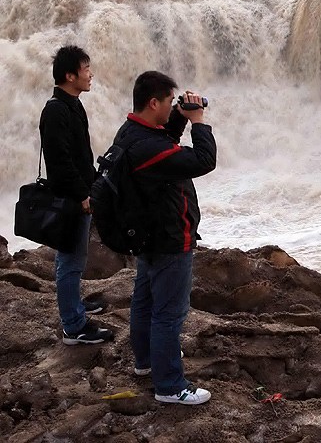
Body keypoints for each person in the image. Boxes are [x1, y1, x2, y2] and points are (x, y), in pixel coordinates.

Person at [114, 71, 215, 405]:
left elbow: (165, 143)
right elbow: (203, 160)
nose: (174, 105)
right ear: (153, 103)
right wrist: (198, 121)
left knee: (144, 302)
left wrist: (178, 118)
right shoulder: (148, 147)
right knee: (169, 314)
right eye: (169, 101)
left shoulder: (131, 133)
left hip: (148, 234)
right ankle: (170, 385)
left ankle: (145, 362)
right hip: (170, 238)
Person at [39, 45, 114, 345]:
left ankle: (75, 307)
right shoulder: (56, 110)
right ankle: (74, 326)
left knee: (72, 258)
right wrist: (82, 194)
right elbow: (60, 161)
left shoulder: (72, 105)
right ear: (69, 76)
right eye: (85, 69)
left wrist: (95, 185)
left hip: (80, 194)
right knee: (70, 261)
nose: (90, 74)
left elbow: (81, 155)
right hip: (71, 200)